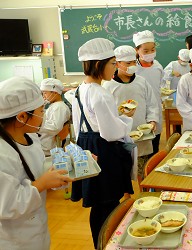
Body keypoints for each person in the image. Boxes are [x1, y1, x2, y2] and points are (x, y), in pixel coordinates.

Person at [71, 38, 135, 248]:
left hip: (86, 145)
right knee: (108, 203)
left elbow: (82, 123)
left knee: (98, 204)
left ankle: (99, 243)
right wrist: (126, 119)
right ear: (99, 65)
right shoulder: (100, 93)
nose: (115, 68)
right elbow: (111, 133)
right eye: (112, 63)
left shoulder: (80, 89)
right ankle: (106, 242)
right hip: (103, 151)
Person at [0, 76, 73, 249]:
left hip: (36, 230)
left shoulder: (30, 137)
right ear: (22, 116)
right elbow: (7, 205)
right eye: (41, 111)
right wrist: (41, 184)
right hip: (12, 240)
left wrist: (69, 164)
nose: (44, 115)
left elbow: (40, 169)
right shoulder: (2, 154)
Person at [103, 45, 160, 178]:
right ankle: (127, 195)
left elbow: (152, 104)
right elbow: (106, 112)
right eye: (128, 63)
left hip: (142, 132)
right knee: (122, 168)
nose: (132, 66)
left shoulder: (142, 82)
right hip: (121, 134)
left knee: (143, 167)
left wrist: (152, 120)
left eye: (134, 62)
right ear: (117, 64)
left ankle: (143, 190)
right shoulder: (109, 86)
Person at [133, 30, 163, 154]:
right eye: (146, 51)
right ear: (137, 50)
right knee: (140, 150)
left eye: (153, 49)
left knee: (154, 147)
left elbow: (159, 87)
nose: (150, 53)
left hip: (156, 110)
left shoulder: (158, 66)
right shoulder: (133, 69)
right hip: (138, 112)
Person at [38, 78, 71, 156]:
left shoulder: (59, 107)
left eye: (45, 93)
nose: (43, 96)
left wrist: (37, 124)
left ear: (55, 92)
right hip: (45, 144)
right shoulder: (54, 106)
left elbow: (55, 127)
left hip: (49, 147)